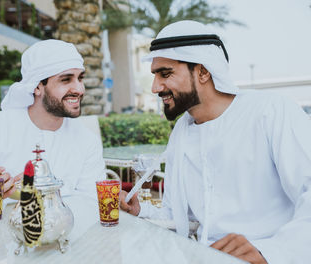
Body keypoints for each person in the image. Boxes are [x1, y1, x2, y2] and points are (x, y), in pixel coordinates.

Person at [120, 20, 311, 264]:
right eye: (155, 76)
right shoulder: (182, 129)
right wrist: (140, 211)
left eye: (165, 74)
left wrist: (272, 252)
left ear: (203, 71)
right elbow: (177, 214)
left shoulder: (271, 112)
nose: (156, 87)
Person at [0, 39, 105, 209]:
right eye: (66, 80)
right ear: (37, 87)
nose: (79, 89)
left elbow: (92, 204)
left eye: (80, 78)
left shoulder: (87, 140)